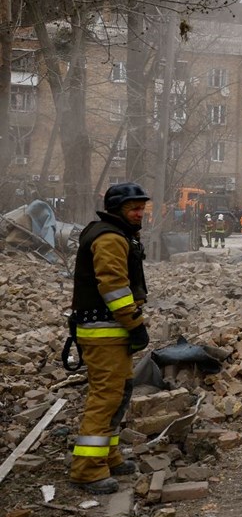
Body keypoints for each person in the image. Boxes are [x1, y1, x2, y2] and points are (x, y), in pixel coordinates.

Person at [64, 183, 152, 495]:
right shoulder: (110, 238)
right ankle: (87, 469)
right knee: (106, 396)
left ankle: (108, 456)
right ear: (117, 209)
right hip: (105, 330)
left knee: (118, 393)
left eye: (142, 206)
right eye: (133, 207)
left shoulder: (118, 233)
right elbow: (113, 286)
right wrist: (135, 323)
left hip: (111, 330)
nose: (140, 212)